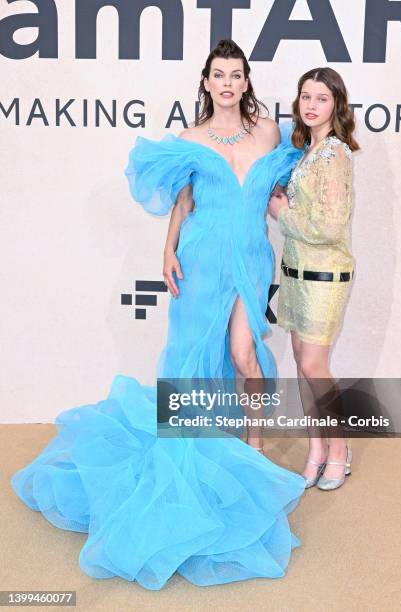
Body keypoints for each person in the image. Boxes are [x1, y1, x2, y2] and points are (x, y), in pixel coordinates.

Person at [10, 40, 305, 591]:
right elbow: (184, 201)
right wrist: (167, 251)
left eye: (235, 75)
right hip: (200, 256)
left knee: (246, 353)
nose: (226, 83)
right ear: (207, 81)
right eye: (218, 74)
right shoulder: (191, 139)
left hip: (249, 255)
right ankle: (187, 444)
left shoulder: (268, 131)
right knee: (191, 358)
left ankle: (255, 447)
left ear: (245, 82)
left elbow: (284, 186)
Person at [269, 67, 359, 491]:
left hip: (325, 278)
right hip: (295, 276)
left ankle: (339, 451)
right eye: (306, 96)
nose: (311, 105)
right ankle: (316, 451)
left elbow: (328, 226)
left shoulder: (335, 153)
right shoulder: (305, 150)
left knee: (313, 366)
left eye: (321, 98)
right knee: (305, 371)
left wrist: (281, 213)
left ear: (336, 105)